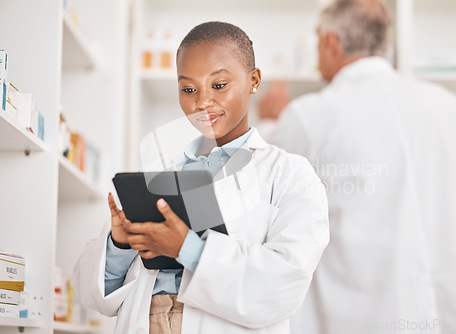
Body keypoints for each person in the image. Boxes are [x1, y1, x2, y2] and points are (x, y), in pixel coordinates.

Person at [71, 21, 329, 334]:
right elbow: (95, 297)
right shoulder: (160, 172)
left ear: (254, 80)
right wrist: (120, 243)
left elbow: (285, 283)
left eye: (219, 86)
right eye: (188, 89)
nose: (202, 102)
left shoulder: (290, 175)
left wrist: (186, 248)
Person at [257, 1, 456, 333]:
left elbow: (258, 182)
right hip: (452, 319)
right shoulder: (447, 107)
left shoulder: (311, 116)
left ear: (331, 42)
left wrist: (269, 122)